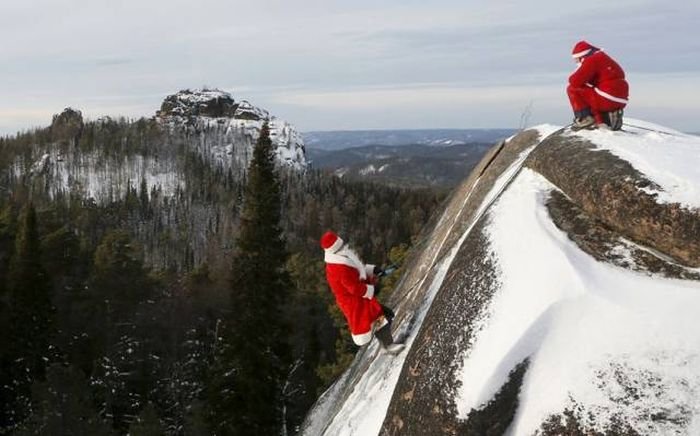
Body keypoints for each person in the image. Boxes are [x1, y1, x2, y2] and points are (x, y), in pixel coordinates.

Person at [320, 230, 405, 354]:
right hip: (356, 304)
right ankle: (388, 346)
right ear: (336, 249)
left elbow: (356, 269)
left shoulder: (340, 259)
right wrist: (372, 290)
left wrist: (373, 270)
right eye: (341, 246)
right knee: (381, 318)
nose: (344, 247)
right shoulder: (338, 268)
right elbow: (354, 287)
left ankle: (386, 346)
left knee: (382, 317)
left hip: (360, 299)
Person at [567, 40, 629, 131]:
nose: (576, 62)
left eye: (576, 59)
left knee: (572, 89)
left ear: (581, 56)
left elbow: (575, 81)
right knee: (593, 93)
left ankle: (585, 119)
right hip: (619, 99)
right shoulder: (603, 58)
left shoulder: (592, 59)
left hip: (607, 97)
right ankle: (605, 121)